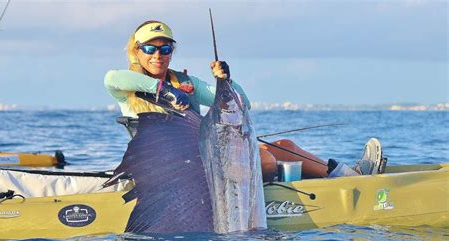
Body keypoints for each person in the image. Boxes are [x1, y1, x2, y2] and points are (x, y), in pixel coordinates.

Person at [104, 20, 384, 181]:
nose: (157, 55)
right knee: (266, 160)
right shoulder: (126, 84)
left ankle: (348, 177)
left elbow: (242, 103)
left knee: (284, 146)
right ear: (137, 51)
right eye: (150, 48)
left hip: (203, 159)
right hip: (166, 169)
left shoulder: (186, 83)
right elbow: (112, 78)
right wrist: (164, 91)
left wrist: (226, 80)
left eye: (164, 48)